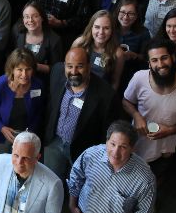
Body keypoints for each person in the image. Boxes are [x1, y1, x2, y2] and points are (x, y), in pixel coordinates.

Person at [68, 120, 157, 213]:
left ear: (133, 148)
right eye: (113, 144)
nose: (115, 152)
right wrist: (72, 205)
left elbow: (144, 212)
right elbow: (76, 177)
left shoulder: (145, 178)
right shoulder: (90, 155)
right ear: (106, 141)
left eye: (123, 147)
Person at [122, 39, 176, 178]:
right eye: (154, 60)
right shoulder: (139, 77)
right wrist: (136, 115)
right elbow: (126, 101)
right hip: (135, 145)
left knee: (154, 181)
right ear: (149, 63)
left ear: (173, 57)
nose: (161, 64)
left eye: (164, 58)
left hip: (164, 151)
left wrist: (171, 130)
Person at [42, 47, 119, 179]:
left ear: (89, 67)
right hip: (54, 143)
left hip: (82, 150)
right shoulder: (57, 73)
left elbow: (106, 131)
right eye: (70, 66)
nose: (74, 71)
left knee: (76, 187)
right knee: (51, 182)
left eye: (80, 66)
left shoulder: (105, 94)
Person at [0, 49, 44, 155]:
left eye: (28, 69)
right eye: (19, 69)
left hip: (26, 137)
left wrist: (31, 131)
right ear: (12, 69)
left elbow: (39, 110)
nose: (24, 74)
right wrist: (1, 128)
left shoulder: (37, 85)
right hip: (1, 137)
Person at [11, 1, 63, 85]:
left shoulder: (54, 40)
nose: (30, 20)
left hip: (41, 83)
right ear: (23, 19)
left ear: (42, 17)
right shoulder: (16, 32)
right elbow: (10, 56)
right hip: (18, 80)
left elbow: (57, 69)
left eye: (35, 16)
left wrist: (36, 66)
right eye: (27, 17)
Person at [72, 10, 125, 90]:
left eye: (106, 28)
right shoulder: (79, 43)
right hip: (76, 88)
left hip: (100, 94)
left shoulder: (118, 53)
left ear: (112, 30)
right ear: (91, 27)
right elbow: (68, 69)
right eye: (97, 27)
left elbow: (115, 82)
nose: (101, 32)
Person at [113, 0, 150, 90]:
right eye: (123, 12)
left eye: (131, 14)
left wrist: (134, 56)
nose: (126, 17)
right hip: (109, 70)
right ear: (118, 12)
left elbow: (146, 58)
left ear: (136, 16)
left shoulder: (143, 33)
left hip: (130, 75)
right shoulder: (110, 28)